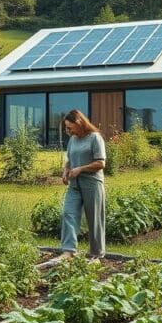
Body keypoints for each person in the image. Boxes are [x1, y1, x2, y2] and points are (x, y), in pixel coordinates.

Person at [60, 109, 107, 258]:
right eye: (66, 127)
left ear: (79, 123)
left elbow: (101, 163)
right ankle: (68, 251)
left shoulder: (95, 138)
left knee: (94, 219)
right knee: (68, 213)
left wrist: (81, 169)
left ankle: (97, 254)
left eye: (70, 127)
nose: (68, 130)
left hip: (92, 184)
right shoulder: (73, 140)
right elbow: (69, 159)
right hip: (74, 185)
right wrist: (65, 171)